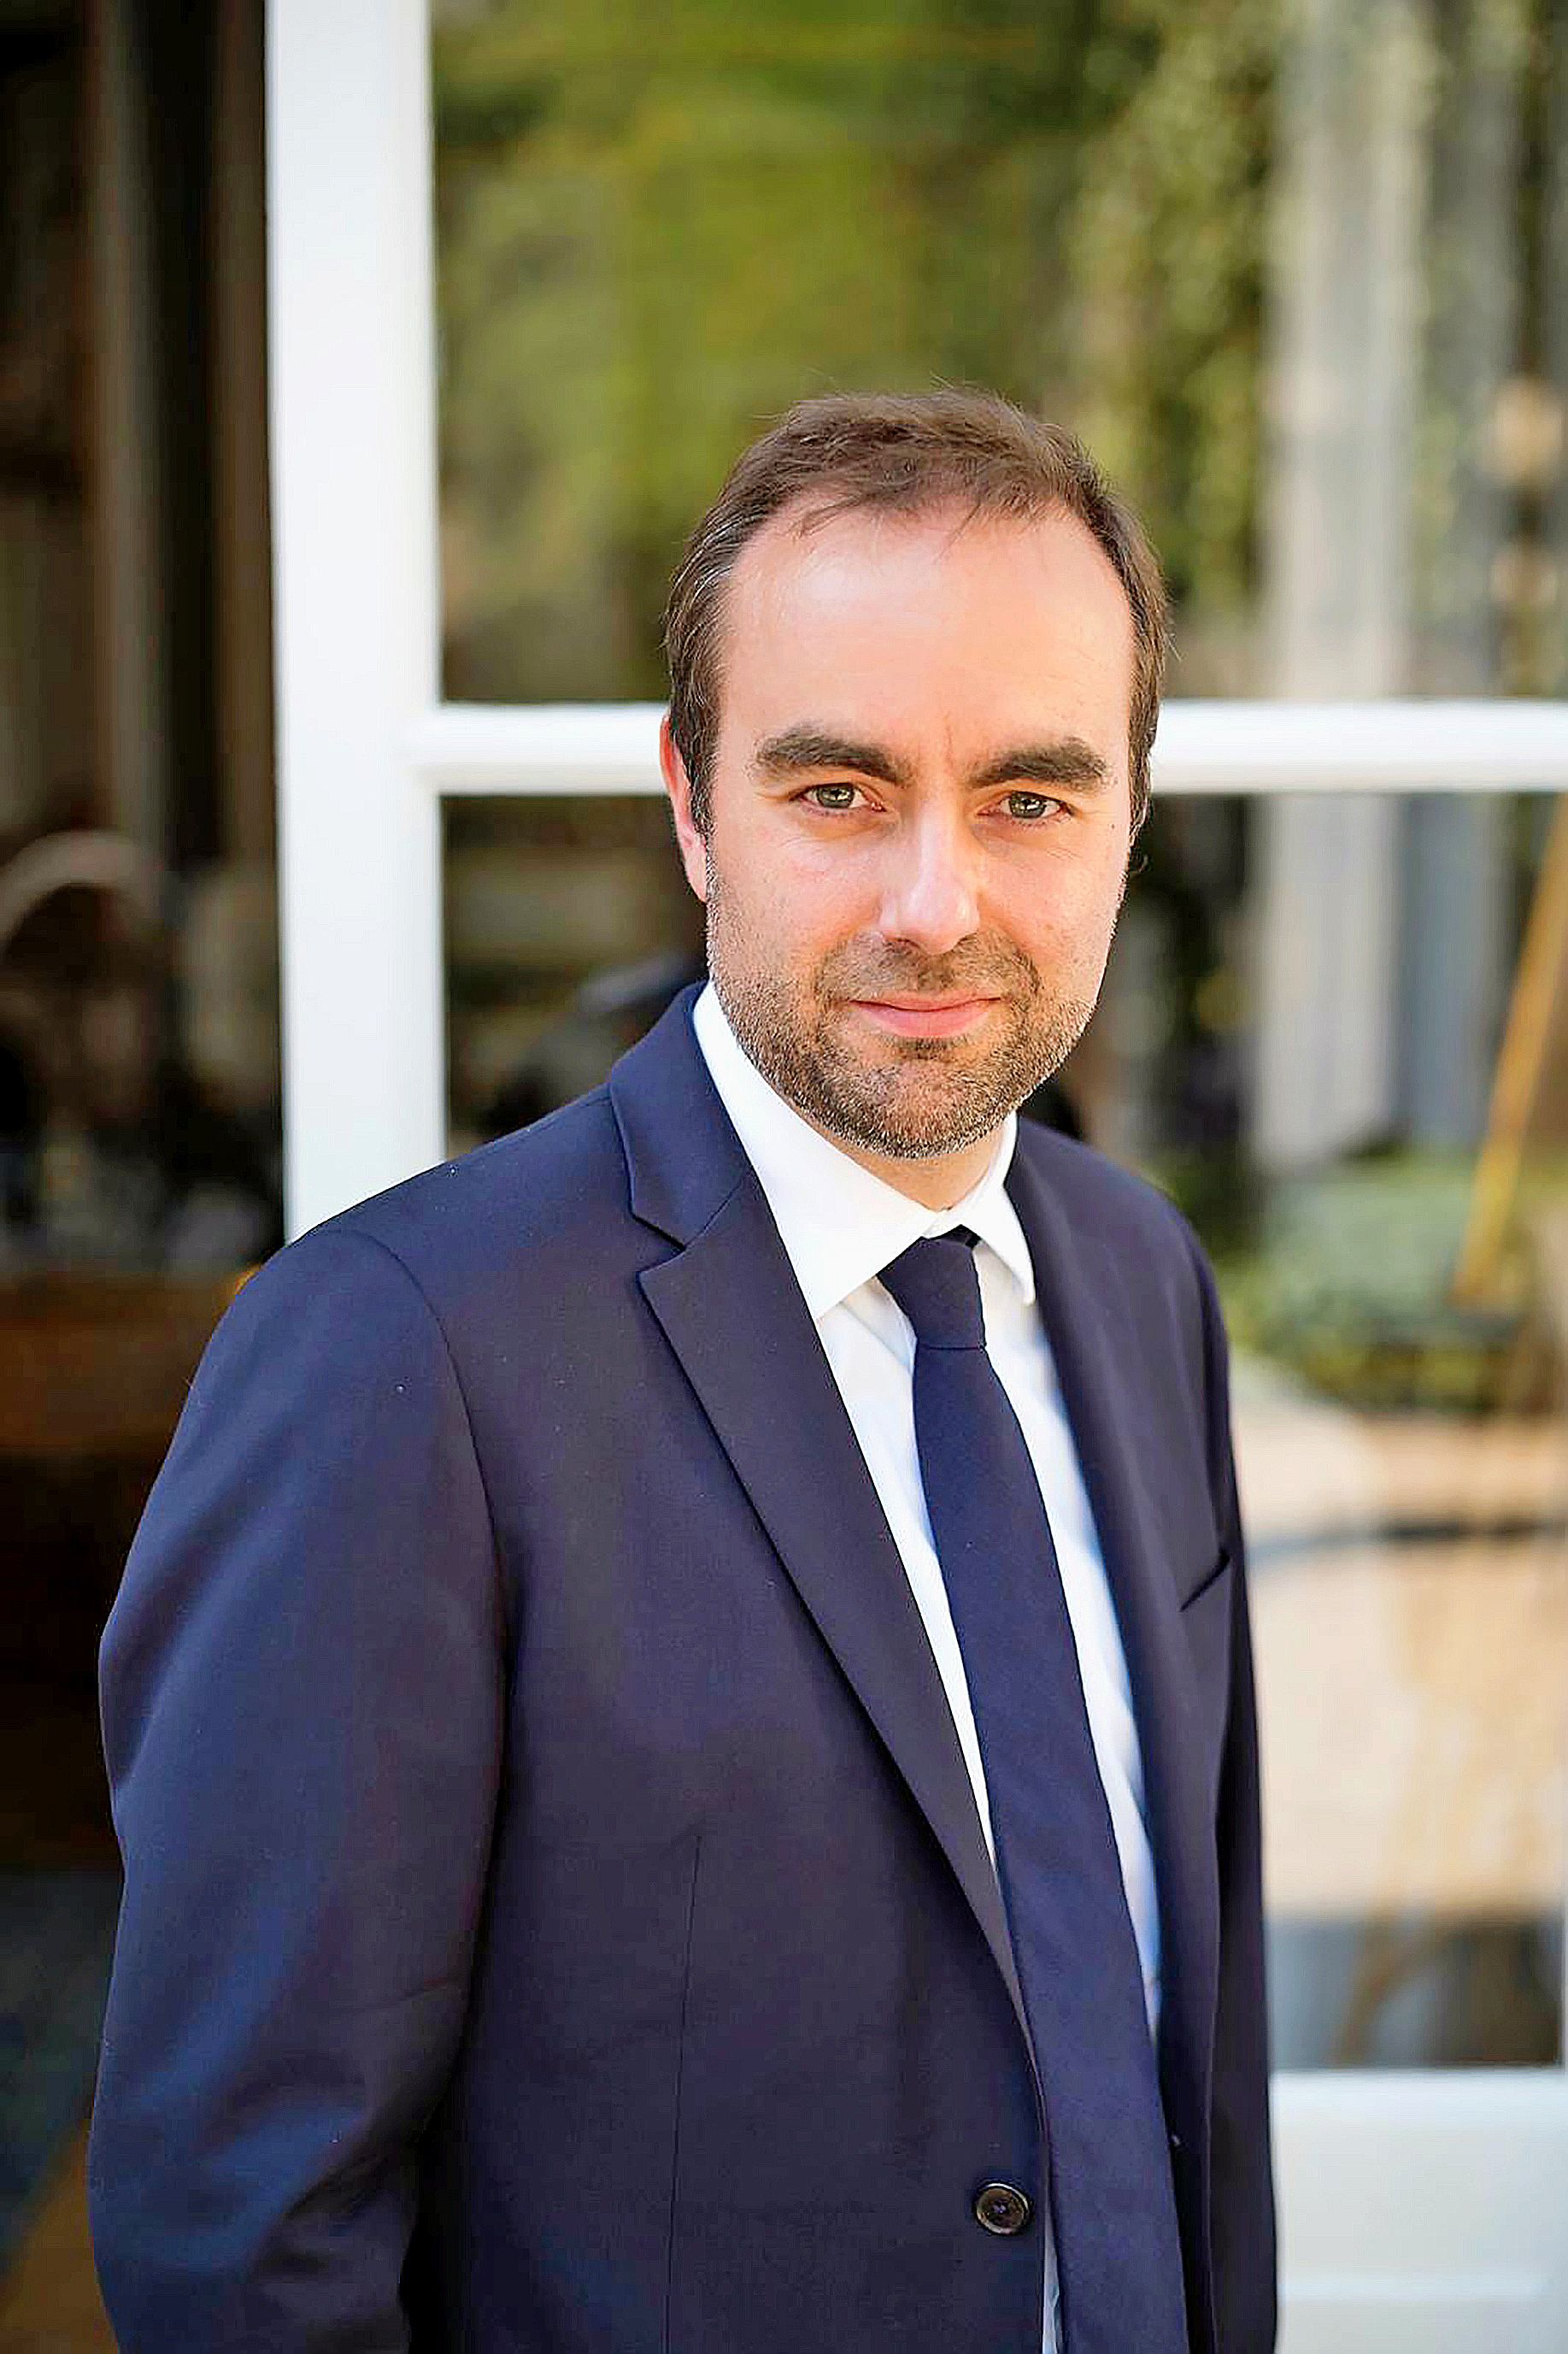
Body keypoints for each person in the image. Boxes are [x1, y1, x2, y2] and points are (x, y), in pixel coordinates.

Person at [90, 391, 1275, 2353]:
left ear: (1131, 818)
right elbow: (244, 2237)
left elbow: (1180, 2062)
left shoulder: (1143, 1283)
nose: (936, 905)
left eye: (1030, 798)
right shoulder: (391, 1362)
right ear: (691, 807)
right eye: (838, 792)